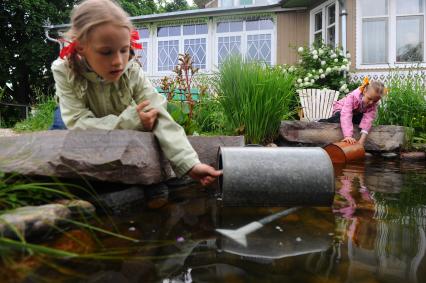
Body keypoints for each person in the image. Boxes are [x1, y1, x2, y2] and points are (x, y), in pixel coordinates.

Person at [50, 0, 221, 186]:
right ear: (82, 47)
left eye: (123, 50)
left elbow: (158, 114)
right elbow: (77, 122)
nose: (118, 62)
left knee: (147, 130)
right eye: (106, 52)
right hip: (78, 125)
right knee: (59, 135)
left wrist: (190, 164)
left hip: (120, 125)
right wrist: (130, 122)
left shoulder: (130, 70)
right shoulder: (64, 70)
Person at [320, 78, 385, 145]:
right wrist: (348, 136)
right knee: (339, 118)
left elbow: (367, 120)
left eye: (375, 101)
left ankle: (350, 126)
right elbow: (346, 115)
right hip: (342, 110)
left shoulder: (372, 104)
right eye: (369, 98)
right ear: (364, 91)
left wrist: (361, 140)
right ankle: (322, 121)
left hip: (355, 114)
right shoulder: (353, 97)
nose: (371, 102)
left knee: (361, 122)